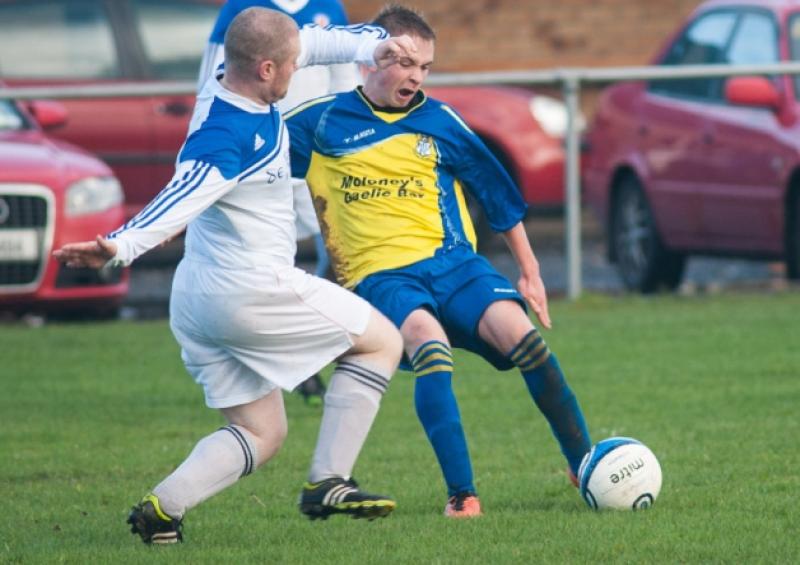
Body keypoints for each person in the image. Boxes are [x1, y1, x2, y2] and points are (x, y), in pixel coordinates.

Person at [54, 8, 413, 544]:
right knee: (381, 341)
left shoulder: (230, 80)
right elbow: (185, 189)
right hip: (250, 290)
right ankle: (328, 482)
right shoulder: (229, 134)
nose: (298, 71)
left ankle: (162, 512)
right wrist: (121, 244)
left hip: (196, 298)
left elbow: (310, 44)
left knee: (261, 432)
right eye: (291, 66)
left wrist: (376, 44)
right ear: (267, 69)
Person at [285, 4, 592, 518]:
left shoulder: (440, 120)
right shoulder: (322, 122)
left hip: (454, 264)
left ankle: (583, 463)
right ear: (372, 56)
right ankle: (462, 495)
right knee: (430, 345)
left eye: (425, 67)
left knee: (526, 339)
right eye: (405, 63)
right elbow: (247, 157)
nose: (415, 77)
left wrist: (531, 273)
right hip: (380, 276)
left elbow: (498, 197)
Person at [199, 1, 362, 405]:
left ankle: (318, 349)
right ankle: (276, 360)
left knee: (341, 253)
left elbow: (345, 82)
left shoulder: (329, 8)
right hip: (259, 158)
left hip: (314, 158)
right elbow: (210, 81)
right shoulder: (242, 11)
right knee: (270, 263)